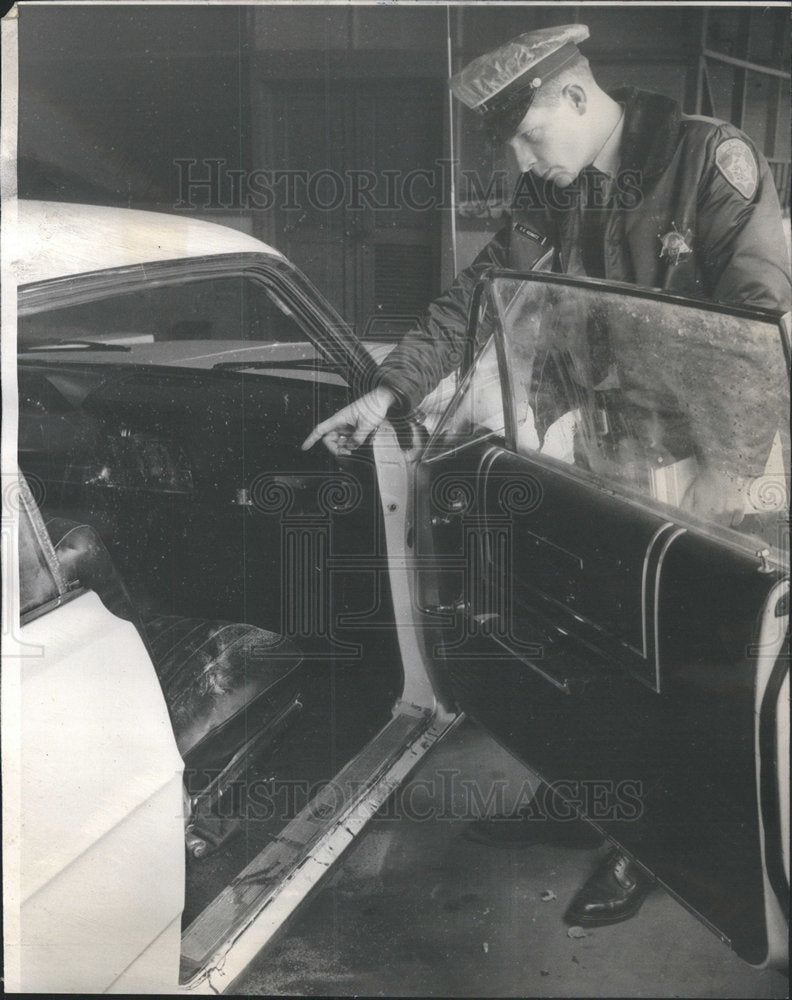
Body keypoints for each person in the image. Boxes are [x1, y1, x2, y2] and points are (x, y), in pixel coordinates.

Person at [302, 24, 792, 927]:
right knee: (597, 640)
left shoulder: (706, 160)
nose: (524, 161)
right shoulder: (547, 192)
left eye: (529, 135)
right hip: (602, 450)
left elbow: (757, 326)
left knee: (676, 658)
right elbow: (478, 295)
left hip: (697, 460)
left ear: (574, 96)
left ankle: (647, 840)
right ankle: (586, 798)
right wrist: (386, 393)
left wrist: (725, 482)